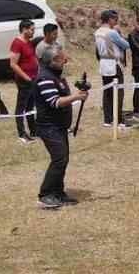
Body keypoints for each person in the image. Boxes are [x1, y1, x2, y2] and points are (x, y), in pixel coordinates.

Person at [33, 42, 90, 209]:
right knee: (59, 159)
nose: (65, 60)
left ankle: (58, 193)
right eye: (61, 58)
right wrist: (77, 97)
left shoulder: (56, 75)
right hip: (48, 127)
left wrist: (79, 90)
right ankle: (45, 195)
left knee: (63, 159)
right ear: (52, 61)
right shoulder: (44, 78)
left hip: (59, 126)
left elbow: (62, 93)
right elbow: (55, 102)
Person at [93, 10, 130, 128]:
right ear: (109, 20)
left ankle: (107, 119)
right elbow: (126, 45)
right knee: (118, 92)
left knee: (107, 92)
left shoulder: (97, 32)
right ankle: (119, 119)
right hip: (114, 63)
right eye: (115, 19)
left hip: (103, 63)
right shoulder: (112, 32)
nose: (116, 21)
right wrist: (119, 33)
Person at [9, 19, 40, 143]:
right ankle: (21, 133)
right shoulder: (17, 43)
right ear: (24, 29)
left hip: (33, 78)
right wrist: (26, 77)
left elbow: (32, 58)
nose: (33, 32)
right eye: (31, 29)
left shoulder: (29, 42)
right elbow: (13, 64)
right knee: (21, 106)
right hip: (24, 80)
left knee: (30, 106)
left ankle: (33, 130)